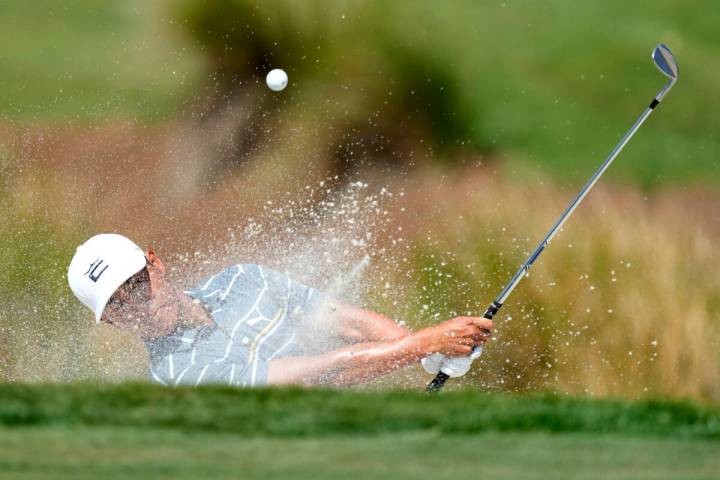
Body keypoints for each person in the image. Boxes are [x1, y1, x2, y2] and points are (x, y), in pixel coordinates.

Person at [68, 234, 493, 387]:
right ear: (109, 322)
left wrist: (430, 352)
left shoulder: (241, 279)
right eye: (117, 305)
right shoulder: (179, 376)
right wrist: (425, 344)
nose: (136, 306)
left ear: (155, 262)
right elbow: (315, 376)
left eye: (136, 284)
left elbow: (343, 321)